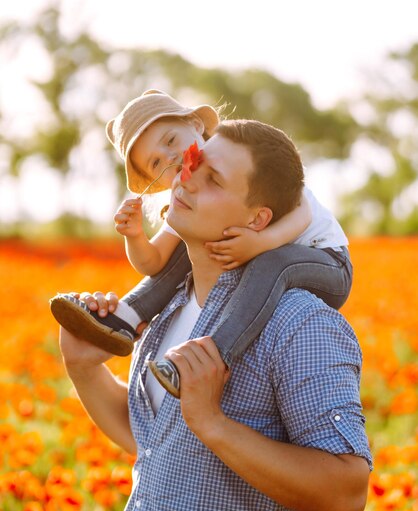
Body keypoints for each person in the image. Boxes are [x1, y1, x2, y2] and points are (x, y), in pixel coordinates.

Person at [59, 118, 372, 511]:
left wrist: (213, 423)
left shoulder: (301, 321)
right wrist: (81, 365)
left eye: (215, 181)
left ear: (258, 220)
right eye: (193, 166)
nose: (186, 180)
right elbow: (154, 441)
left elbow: (347, 493)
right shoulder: (170, 310)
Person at [50, 90, 352, 398]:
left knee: (271, 262)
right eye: (156, 163)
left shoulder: (238, 152)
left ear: (195, 124)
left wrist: (262, 241)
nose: (170, 159)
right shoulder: (190, 200)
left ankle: (215, 355)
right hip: (267, 254)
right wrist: (135, 236)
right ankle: (129, 316)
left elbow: (303, 208)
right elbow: (153, 262)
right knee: (186, 241)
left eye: (170, 141)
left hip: (325, 259)